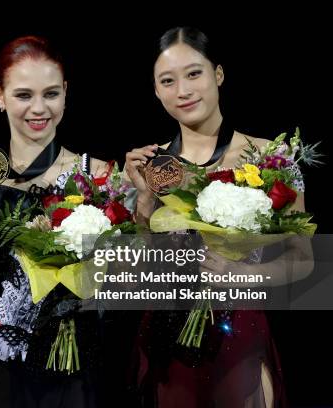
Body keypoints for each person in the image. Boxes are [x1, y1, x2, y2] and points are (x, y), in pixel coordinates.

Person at [125, 27, 313, 407]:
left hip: (239, 336)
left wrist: (244, 275)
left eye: (194, 73)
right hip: (167, 340)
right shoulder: (147, 166)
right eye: (168, 81)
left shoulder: (270, 158)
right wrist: (143, 201)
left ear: (219, 75)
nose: (183, 90)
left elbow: (304, 260)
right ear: (157, 91)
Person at [0, 35, 110, 408]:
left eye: (51, 94)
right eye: (24, 95)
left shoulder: (99, 175)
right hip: (4, 367)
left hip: (75, 365)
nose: (39, 109)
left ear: (66, 93)